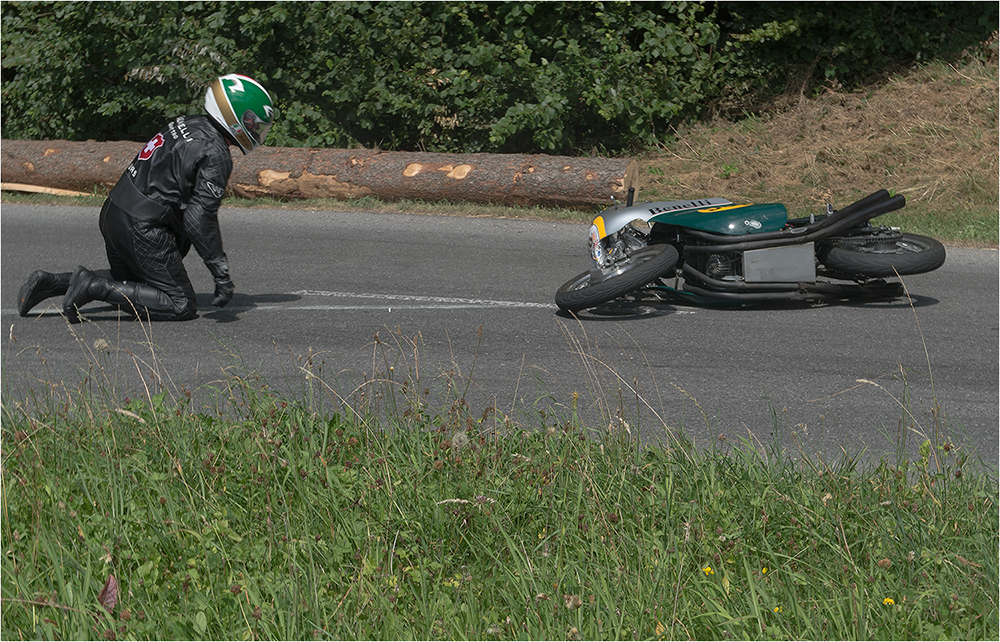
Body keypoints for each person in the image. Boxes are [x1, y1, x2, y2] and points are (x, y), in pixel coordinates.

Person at [16, 73, 275, 323]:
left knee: (135, 284)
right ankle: (92, 287)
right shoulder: (216, 152)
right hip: (142, 226)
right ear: (234, 115)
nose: (255, 129)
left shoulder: (189, 123)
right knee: (180, 304)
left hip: (114, 211)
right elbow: (200, 216)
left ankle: (52, 283)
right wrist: (219, 270)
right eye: (252, 122)